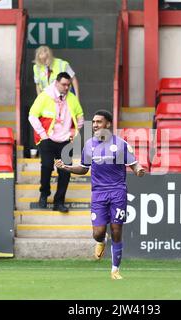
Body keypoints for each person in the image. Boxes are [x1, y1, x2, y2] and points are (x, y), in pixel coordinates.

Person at [54, 110, 145, 280]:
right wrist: (66, 167)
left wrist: (139, 170)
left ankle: (115, 269)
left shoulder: (120, 144)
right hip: (98, 193)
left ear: (108, 124)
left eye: (99, 122)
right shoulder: (89, 145)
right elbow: (83, 168)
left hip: (117, 191)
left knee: (117, 229)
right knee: (98, 233)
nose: (95, 125)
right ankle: (101, 241)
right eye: (94, 122)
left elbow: (134, 164)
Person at [29, 72, 84, 213]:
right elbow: (32, 116)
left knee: (65, 171)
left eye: (68, 85)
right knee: (47, 166)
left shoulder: (72, 98)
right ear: (56, 83)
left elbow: (80, 116)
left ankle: (59, 202)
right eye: (64, 84)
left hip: (65, 141)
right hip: (47, 139)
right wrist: (43, 134)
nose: (66, 87)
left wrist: (74, 132)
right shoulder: (45, 96)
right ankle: (44, 193)